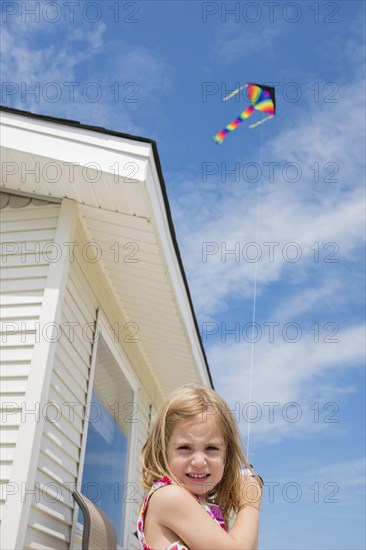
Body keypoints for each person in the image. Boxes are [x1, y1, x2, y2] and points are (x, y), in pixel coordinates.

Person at [137, 384, 263, 550]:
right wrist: (250, 504)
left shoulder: (197, 504)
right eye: (184, 448)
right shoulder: (170, 496)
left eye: (211, 448)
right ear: (163, 451)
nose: (198, 461)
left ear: (226, 456)